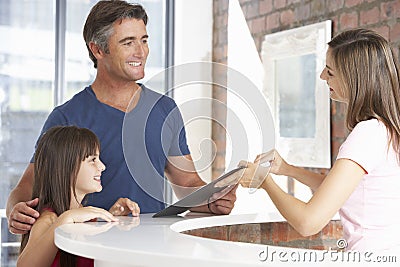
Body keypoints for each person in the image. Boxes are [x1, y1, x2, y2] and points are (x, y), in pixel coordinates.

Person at [7, 0, 237, 235]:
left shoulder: (165, 109)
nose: (141, 51)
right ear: (98, 50)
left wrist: (211, 201)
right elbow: (28, 186)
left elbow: (187, 183)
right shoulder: (67, 117)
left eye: (144, 40)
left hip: (152, 247)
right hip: (89, 249)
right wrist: (16, 209)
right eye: (128, 42)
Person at [239, 28, 400, 254]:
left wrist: (264, 182)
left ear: (354, 79)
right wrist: (287, 169)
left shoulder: (367, 134)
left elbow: (308, 222)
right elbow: (343, 189)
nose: (322, 76)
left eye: (331, 72)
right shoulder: (386, 130)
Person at [17, 125, 140, 267]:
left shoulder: (83, 216)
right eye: (93, 160)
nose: (102, 166)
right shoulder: (49, 219)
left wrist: (112, 217)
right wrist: (67, 218)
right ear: (66, 167)